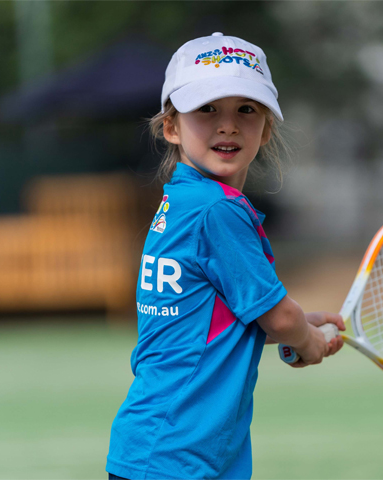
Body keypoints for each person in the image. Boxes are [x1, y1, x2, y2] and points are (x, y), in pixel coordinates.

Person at [106, 33, 344, 480]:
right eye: (207, 109)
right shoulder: (217, 210)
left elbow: (209, 328)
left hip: (159, 451)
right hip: (179, 455)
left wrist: (298, 327)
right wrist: (304, 339)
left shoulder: (181, 202)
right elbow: (276, 316)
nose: (228, 125)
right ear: (171, 127)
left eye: (246, 110)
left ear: (266, 128)